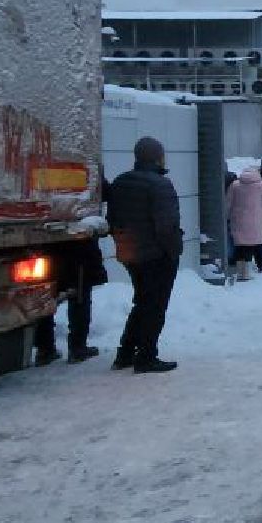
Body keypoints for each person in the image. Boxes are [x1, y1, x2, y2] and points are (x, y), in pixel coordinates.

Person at [105, 137, 181, 374]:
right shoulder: (160, 185)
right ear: (157, 157)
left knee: (142, 302)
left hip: (130, 252)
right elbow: (166, 226)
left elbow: (112, 219)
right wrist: (173, 251)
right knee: (154, 306)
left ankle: (126, 352)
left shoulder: (120, 182)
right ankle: (146, 356)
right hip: (157, 255)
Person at [31, 232, 108, 366]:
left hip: (47, 246)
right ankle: (77, 347)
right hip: (77, 250)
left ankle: (45, 348)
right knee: (79, 297)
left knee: (46, 295)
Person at [226, 165, 262, 280]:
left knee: (240, 247)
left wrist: (227, 217)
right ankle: (246, 273)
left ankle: (240, 273)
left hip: (238, 220)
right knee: (250, 246)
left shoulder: (234, 185)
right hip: (254, 222)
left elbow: (228, 203)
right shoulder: (259, 186)